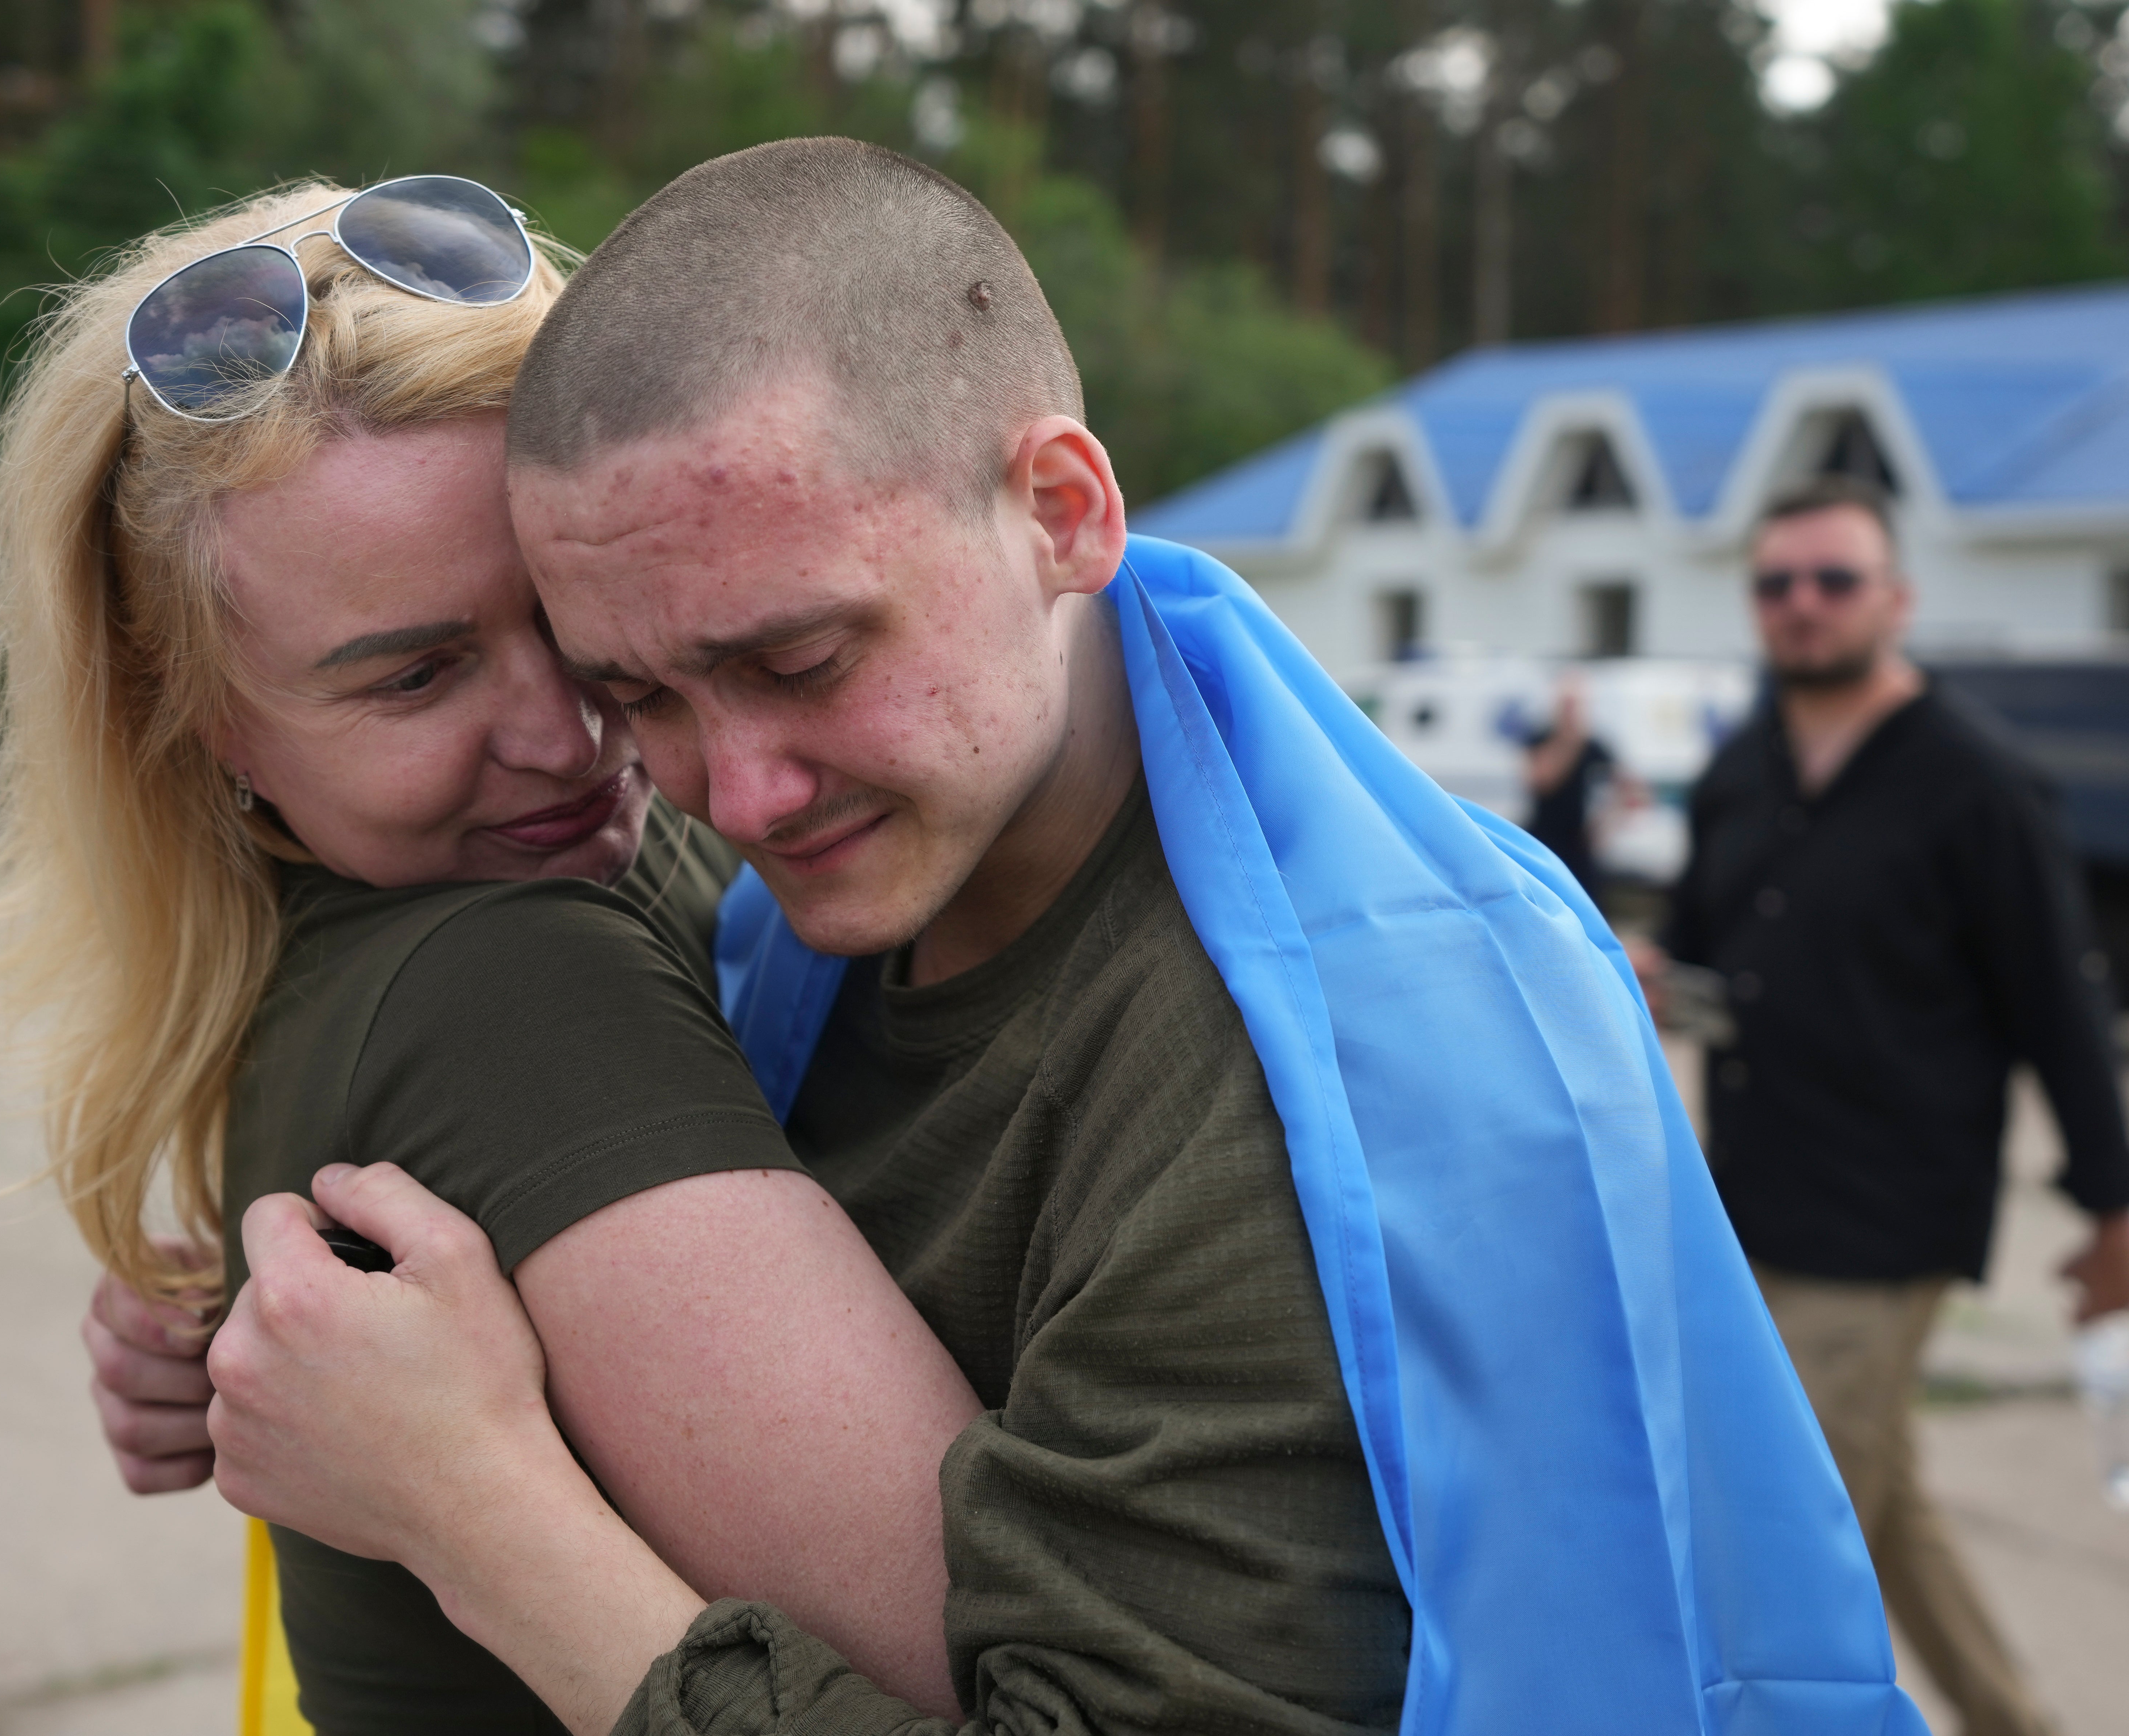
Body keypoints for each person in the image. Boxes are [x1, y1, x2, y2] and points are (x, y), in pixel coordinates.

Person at [203, 139, 1927, 1736]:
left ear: (1063, 513)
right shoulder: (856, 860)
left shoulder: (1296, 1095)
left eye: (801, 659)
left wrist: (477, 1507)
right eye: (635, 691)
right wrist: (227, 1319)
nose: (731, 787)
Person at [0, 178, 990, 1734]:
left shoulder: (405, 919)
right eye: (416, 674)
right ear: (208, 717)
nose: (569, 735)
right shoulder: (510, 976)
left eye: (579, 622)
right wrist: (476, 1494)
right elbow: (1013, 1674)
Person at [1640, 475, 2129, 1736]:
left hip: (1884, 1222)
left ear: (1895, 599)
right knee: (1882, 1508)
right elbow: (1701, 956)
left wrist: (2112, 1204)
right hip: (1746, 1200)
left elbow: (2055, 1007)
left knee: (1770, 1553)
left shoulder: (1975, 781)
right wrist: (1647, 981)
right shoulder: (1742, 765)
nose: (1800, 605)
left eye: (1832, 579)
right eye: (1774, 583)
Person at [1521, 675, 1618, 898]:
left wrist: (1605, 825)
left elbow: (1628, 788)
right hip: (1544, 837)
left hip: (1578, 843)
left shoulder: (1594, 746)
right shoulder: (1542, 739)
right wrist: (1567, 742)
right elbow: (1542, 781)